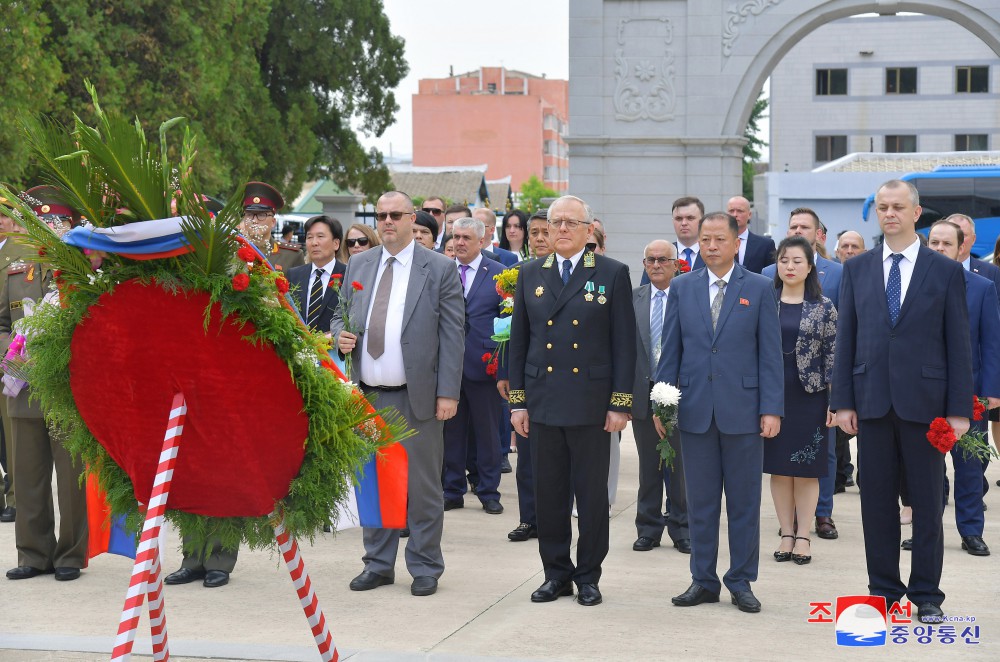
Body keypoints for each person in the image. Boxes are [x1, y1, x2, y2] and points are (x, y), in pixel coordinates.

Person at [832, 179, 972, 624]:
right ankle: (884, 591)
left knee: (928, 503)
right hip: (871, 403)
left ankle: (927, 594)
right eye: (883, 207)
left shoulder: (944, 270)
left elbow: (959, 345)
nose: (889, 213)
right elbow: (847, 338)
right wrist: (844, 401)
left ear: (917, 213)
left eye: (898, 207)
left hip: (926, 406)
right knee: (875, 502)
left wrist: (957, 412)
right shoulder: (858, 269)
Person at [332, 190, 464, 597]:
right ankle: (378, 564)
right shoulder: (360, 263)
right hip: (367, 395)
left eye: (394, 215)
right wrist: (340, 336)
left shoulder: (438, 268)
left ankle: (425, 566)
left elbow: (453, 334)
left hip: (418, 396)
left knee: (423, 487)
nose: (386, 221)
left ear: (412, 219)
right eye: (380, 215)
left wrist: (448, 393)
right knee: (373, 481)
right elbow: (339, 314)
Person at [508, 194, 636, 607]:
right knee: (549, 494)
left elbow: (624, 345)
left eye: (570, 223)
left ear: (587, 230)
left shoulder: (612, 273)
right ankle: (556, 573)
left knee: (592, 496)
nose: (560, 229)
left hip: (591, 405)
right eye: (554, 222)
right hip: (543, 402)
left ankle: (588, 576)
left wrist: (620, 403)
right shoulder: (530, 273)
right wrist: (518, 402)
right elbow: (520, 342)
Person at [657, 211, 783, 614]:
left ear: (734, 243)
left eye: (718, 239)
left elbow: (770, 355)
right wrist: (662, 403)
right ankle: (703, 579)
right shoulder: (682, 286)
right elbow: (671, 350)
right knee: (702, 501)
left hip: (745, 412)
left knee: (744, 502)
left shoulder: (761, 288)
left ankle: (741, 580)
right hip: (694, 411)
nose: (710, 246)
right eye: (705, 239)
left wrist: (771, 409)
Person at [3, 186, 88, 581]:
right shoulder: (15, 269)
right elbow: (2, 324)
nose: (50, 227)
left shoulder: (83, 271)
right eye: (43, 221)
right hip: (22, 383)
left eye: (58, 221)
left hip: (68, 386)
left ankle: (70, 554)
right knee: (27, 472)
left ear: (71, 225)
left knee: (71, 476)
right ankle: (33, 554)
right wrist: (13, 354)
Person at [762, 208, 842, 541]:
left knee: (808, 470)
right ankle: (785, 533)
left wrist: (835, 400)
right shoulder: (764, 302)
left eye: (797, 261)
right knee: (780, 469)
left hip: (811, 397)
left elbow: (833, 355)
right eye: (784, 260)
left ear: (810, 266)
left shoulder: (823, 306)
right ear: (776, 266)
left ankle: (805, 535)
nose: (790, 266)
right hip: (773, 396)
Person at [924, 220, 1000, 557]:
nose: (940, 249)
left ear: (961, 248)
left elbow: (991, 344)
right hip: (924, 393)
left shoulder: (982, 287)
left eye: (946, 244)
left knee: (969, 464)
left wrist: (991, 391)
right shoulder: (917, 286)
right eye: (934, 243)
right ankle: (928, 529)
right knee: (926, 467)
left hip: (969, 394)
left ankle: (971, 531)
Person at [497, 209, 554, 543]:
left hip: (563, 378)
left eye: (545, 232)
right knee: (528, 452)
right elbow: (509, 333)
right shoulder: (516, 274)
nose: (539, 239)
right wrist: (505, 374)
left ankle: (556, 517)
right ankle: (529, 518)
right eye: (534, 233)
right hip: (528, 377)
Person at [442, 217, 505, 514]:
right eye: (456, 237)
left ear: (481, 241)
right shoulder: (442, 271)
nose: (460, 242)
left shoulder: (499, 274)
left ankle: (489, 490)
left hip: (484, 365)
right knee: (451, 432)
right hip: (449, 366)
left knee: (488, 433)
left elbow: (507, 322)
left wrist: (500, 363)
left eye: (466, 237)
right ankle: (452, 489)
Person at [631, 240, 689, 554]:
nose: (656, 265)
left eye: (663, 259)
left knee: (679, 467)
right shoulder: (633, 299)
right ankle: (648, 528)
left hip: (680, 393)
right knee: (649, 465)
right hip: (643, 393)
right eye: (650, 259)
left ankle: (682, 528)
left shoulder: (687, 296)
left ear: (675, 263)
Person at [0, 202, 28, 523]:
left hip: (11, 355)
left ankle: (17, 497)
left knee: (14, 433)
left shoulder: (24, 251)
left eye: (4, 215)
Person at [833, 230, 865, 490]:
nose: (850, 250)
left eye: (855, 246)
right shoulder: (830, 277)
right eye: (845, 246)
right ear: (837, 251)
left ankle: (861, 473)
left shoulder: (869, 277)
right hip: (837, 360)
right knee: (840, 425)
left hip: (865, 362)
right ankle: (841, 473)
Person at [287, 216, 347, 332]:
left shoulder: (348, 275)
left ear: (336, 243)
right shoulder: (294, 275)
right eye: (309, 237)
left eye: (320, 236)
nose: (314, 243)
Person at [238, 181, 304, 273]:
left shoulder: (291, 255)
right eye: (249, 215)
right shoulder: (232, 252)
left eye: (262, 215)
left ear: (273, 222)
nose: (255, 220)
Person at [726, 196, 775, 273]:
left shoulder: (765, 245)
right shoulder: (717, 243)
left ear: (749, 215)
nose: (735, 214)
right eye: (731, 211)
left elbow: (772, 275)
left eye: (740, 211)